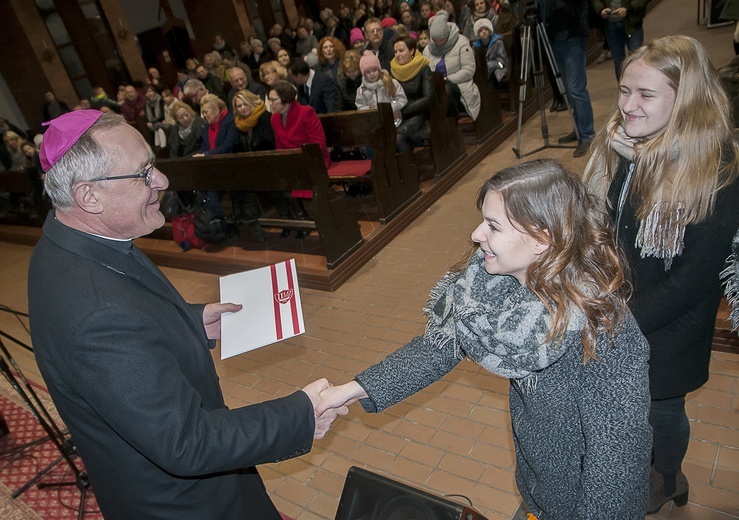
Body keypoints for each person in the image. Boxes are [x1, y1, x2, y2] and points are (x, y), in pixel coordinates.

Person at [28, 110, 348, 519]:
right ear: (89, 195)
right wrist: (299, 414)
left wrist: (192, 321)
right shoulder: (97, 316)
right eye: (143, 174)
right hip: (185, 504)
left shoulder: (72, 242)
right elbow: (186, 442)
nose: (160, 181)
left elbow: (128, 321)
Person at [318, 159, 652, 519]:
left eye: (493, 226)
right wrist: (352, 389)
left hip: (582, 506)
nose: (477, 234)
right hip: (537, 487)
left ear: (542, 240)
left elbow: (616, 459)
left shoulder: (602, 327)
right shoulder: (492, 285)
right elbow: (439, 347)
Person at [583, 35, 739, 515]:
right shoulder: (628, 150)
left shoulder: (718, 170)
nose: (627, 106)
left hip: (671, 324)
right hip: (622, 303)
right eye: (625, 90)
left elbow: (695, 280)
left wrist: (616, 321)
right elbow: (612, 224)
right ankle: (633, 465)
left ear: (686, 97)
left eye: (645, 95)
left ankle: (668, 477)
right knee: (623, 407)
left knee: (662, 410)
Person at [268, 81, 329, 238]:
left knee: (289, 183)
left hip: (312, 159)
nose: (270, 103)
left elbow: (318, 144)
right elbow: (279, 145)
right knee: (272, 182)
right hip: (292, 161)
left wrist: (297, 159)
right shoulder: (275, 118)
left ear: (285, 98)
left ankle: (304, 220)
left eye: (273, 99)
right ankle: (290, 221)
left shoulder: (306, 112)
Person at [543, 0, 596, 157]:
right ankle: (578, 129)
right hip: (553, 38)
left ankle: (587, 135)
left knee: (576, 88)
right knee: (566, 90)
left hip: (573, 36)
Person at [424, 9, 481, 120]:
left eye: (442, 40)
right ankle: (434, 126)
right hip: (436, 86)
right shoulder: (428, 49)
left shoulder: (461, 43)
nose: (438, 43)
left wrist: (447, 78)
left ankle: (450, 124)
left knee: (446, 91)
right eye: (436, 40)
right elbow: (425, 70)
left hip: (459, 86)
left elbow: (468, 70)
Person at [390, 35, 434, 152]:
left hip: (420, 114)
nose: (398, 55)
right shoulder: (393, 71)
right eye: (395, 52)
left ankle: (408, 168)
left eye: (401, 51)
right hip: (398, 115)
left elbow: (428, 98)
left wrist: (403, 110)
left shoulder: (423, 68)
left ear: (411, 51)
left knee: (398, 137)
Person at [592, 0, 647, 80]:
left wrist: (628, 8)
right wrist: (601, 9)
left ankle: (640, 86)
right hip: (611, 25)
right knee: (619, 61)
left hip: (632, 23)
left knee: (636, 57)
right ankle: (624, 89)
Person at [355, 50, 407, 126]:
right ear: (364, 74)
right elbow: (360, 105)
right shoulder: (361, 90)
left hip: (394, 121)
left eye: (374, 70)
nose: (372, 74)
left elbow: (402, 98)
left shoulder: (391, 82)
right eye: (368, 72)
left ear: (379, 69)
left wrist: (390, 108)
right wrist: (370, 110)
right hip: (373, 124)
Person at [472, 18, 508, 89]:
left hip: (499, 67)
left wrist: (491, 65)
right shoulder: (475, 46)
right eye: (481, 31)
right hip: (483, 71)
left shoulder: (498, 42)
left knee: (492, 74)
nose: (484, 32)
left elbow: (502, 60)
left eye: (485, 29)